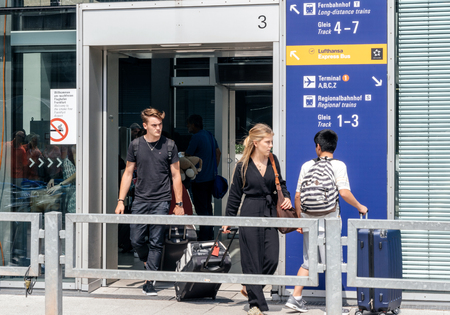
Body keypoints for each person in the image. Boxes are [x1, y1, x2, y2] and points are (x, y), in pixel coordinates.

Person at [285, 129, 368, 314]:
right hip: (329, 222)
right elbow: (344, 193)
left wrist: (301, 221)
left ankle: (295, 297)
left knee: (308, 260)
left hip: (309, 222)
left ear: (318, 146)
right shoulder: (339, 165)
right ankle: (334, 307)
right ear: (334, 147)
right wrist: (359, 206)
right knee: (333, 264)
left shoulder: (307, 165)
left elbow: (298, 196)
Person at [222, 123, 292, 315]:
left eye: (271, 141)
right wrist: (228, 219)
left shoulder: (273, 160)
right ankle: (256, 305)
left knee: (271, 258)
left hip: (270, 211)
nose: (270, 145)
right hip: (250, 210)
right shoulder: (242, 166)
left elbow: (281, 184)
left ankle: (250, 286)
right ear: (256, 142)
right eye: (267, 142)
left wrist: (286, 198)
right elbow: (235, 194)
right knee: (252, 258)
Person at [115, 107, 184, 296]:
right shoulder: (136, 145)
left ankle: (149, 280)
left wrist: (179, 204)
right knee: (135, 239)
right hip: (140, 199)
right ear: (145, 126)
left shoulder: (170, 145)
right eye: (154, 125)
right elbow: (128, 173)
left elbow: (176, 175)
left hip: (162, 199)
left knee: (156, 241)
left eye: (160, 124)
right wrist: (121, 200)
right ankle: (147, 261)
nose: (158, 128)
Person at [186, 114, 221, 241]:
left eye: (188, 124)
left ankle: (204, 236)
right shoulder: (209, 135)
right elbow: (218, 153)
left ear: (194, 124)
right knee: (207, 206)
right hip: (210, 178)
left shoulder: (196, 137)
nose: (187, 127)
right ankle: (209, 233)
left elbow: (188, 156)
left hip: (199, 178)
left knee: (201, 208)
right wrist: (213, 168)